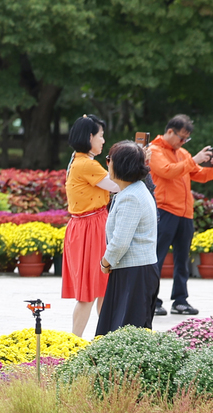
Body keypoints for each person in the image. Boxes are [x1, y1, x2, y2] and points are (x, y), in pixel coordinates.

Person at [150, 114, 213, 316]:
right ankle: (152, 300)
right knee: (157, 257)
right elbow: (167, 171)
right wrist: (194, 160)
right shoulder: (154, 151)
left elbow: (199, 174)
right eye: (181, 138)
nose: (182, 142)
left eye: (186, 139)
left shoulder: (183, 153)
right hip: (164, 210)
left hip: (184, 213)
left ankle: (180, 301)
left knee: (183, 259)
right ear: (169, 131)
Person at [63, 114, 121, 336]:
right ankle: (76, 342)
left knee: (99, 289)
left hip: (84, 226)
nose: (103, 140)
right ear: (89, 137)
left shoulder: (76, 160)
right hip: (92, 227)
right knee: (91, 291)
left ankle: (99, 338)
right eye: (101, 136)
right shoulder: (87, 164)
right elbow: (117, 186)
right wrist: (134, 161)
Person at [97, 141, 159, 335]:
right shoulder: (134, 190)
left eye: (109, 160)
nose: (107, 164)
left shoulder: (131, 196)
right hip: (133, 271)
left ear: (120, 165)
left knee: (126, 334)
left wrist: (105, 263)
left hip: (134, 273)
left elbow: (121, 241)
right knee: (124, 331)